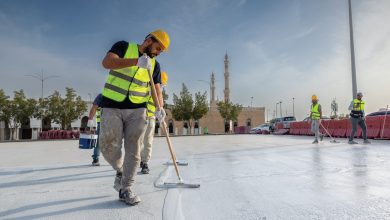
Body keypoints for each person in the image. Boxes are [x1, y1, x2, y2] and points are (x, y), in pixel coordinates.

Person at [99, 29, 168, 206]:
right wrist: (136, 61)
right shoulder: (123, 46)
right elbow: (107, 63)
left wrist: (160, 108)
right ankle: (119, 169)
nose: (159, 53)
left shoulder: (155, 65)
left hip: (138, 109)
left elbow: (156, 88)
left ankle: (126, 188)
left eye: (161, 51)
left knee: (134, 150)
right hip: (112, 105)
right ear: (149, 40)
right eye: (158, 48)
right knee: (108, 146)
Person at [140, 71, 168, 174]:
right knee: (138, 141)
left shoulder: (159, 93)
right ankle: (138, 159)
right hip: (139, 117)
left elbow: (160, 108)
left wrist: (162, 120)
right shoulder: (145, 88)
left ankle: (145, 162)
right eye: (162, 84)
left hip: (151, 118)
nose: (162, 86)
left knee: (148, 141)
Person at [87, 93, 103, 166]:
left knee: (99, 141)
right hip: (103, 122)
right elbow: (94, 108)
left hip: (111, 122)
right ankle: (96, 158)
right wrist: (90, 119)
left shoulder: (101, 95)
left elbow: (94, 107)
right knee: (98, 141)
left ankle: (96, 158)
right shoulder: (102, 96)